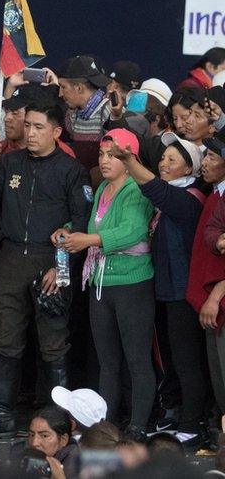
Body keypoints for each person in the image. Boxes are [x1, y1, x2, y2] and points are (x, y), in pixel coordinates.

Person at [0, 97, 91, 439]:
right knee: (5, 340)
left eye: (39, 127)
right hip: (11, 258)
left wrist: (62, 263)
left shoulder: (71, 171)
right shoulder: (10, 162)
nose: (31, 132)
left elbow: (80, 223)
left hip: (50, 261)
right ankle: (1, 416)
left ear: (56, 132)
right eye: (28, 125)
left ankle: (60, 422)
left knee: (53, 344)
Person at [110, 131, 208, 446]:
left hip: (183, 292)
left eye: (172, 160)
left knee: (186, 358)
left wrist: (129, 161)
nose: (164, 164)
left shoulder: (189, 198)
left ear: (189, 169)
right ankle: (173, 413)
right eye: (163, 158)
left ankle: (193, 424)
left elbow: (153, 189)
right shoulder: (169, 194)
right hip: (163, 287)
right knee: (166, 357)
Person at [58, 129, 155, 435]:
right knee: (107, 360)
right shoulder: (102, 189)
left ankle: (138, 424)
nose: (104, 160)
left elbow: (133, 231)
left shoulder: (137, 189)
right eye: (101, 154)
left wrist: (90, 239)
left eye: (113, 155)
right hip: (101, 280)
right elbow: (91, 224)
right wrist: (70, 230)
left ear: (130, 159)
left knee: (137, 359)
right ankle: (106, 425)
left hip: (131, 282)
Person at [192, 133, 225, 418]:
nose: (205, 163)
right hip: (215, 303)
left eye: (213, 157)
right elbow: (213, 239)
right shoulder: (217, 197)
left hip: (219, 299)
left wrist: (215, 295)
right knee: (219, 378)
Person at [56, 55, 114, 169]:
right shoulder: (71, 115)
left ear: (79, 88)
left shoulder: (108, 112)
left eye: (63, 87)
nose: (60, 94)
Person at [27, 406, 79, 479]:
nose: (34, 443)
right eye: (31, 435)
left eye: (44, 436)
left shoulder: (75, 469)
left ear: (63, 440)